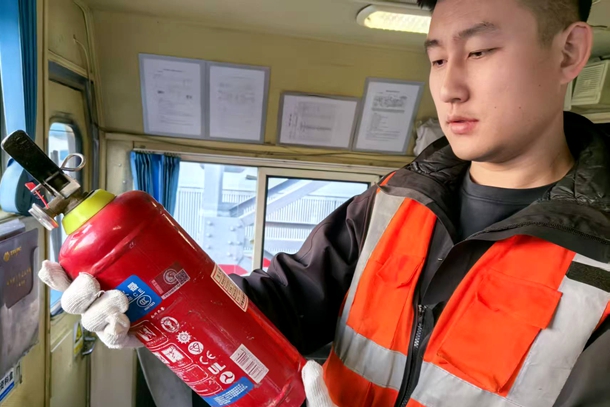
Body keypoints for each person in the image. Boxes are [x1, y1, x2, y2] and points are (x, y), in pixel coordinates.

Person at [39, 0, 610, 405]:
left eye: (481, 51)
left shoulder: (599, 269)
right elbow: (275, 310)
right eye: (437, 59)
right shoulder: (390, 203)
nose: (448, 87)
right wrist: (155, 301)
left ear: (569, 52)